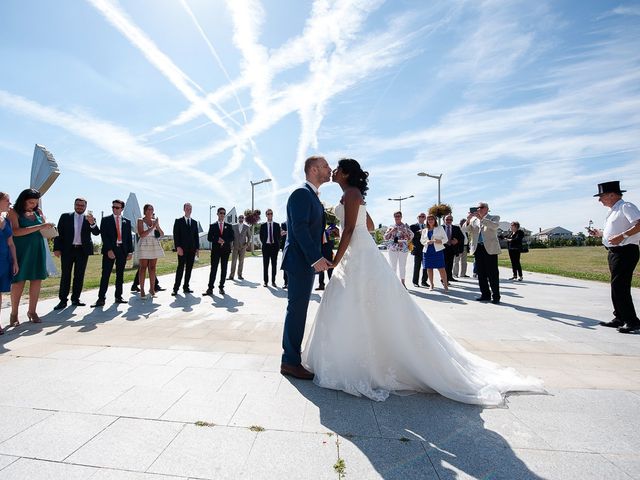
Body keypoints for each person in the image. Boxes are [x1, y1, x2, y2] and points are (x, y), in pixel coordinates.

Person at [302, 159, 545, 405]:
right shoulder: (351, 195)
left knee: (362, 300)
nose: (332, 171)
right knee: (361, 302)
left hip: (359, 252)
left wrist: (335, 258)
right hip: (360, 251)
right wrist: (353, 217)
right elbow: (371, 225)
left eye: (336, 168)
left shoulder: (352, 194)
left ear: (345, 173)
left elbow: (351, 231)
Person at [280, 155, 333, 380]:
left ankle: (291, 356)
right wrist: (314, 258)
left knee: (299, 309)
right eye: (325, 166)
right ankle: (290, 361)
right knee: (297, 309)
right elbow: (299, 228)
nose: (330, 170)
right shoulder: (301, 193)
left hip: (305, 261)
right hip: (300, 261)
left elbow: (311, 229)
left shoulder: (312, 196)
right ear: (313, 170)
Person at [588, 181, 640, 334]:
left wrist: (622, 236)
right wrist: (600, 234)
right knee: (615, 286)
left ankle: (632, 321)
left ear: (612, 195)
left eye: (602, 196)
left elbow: (638, 224)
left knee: (620, 286)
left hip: (626, 251)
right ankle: (620, 317)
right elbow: (614, 231)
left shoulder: (626, 206)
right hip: (614, 252)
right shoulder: (613, 210)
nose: (600, 200)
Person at [7, 188, 55, 324]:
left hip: (38, 249)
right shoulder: (13, 212)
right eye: (30, 202)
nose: (33, 205)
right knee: (18, 282)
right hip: (22, 251)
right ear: (23, 200)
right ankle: (14, 313)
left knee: (36, 280)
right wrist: (40, 226)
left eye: (35, 202)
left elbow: (43, 228)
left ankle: (32, 311)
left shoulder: (38, 212)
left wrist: (49, 230)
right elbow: (15, 232)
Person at [52, 198, 100, 309]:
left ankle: (76, 299)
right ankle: (63, 300)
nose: (79, 207)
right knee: (65, 276)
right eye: (77, 205)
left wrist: (92, 223)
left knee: (79, 276)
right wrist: (56, 248)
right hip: (67, 250)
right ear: (74, 205)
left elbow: (97, 232)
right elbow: (58, 234)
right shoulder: (65, 216)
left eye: (82, 205)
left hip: (82, 251)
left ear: (85, 207)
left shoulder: (90, 219)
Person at [92, 199, 133, 307]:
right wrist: (109, 250)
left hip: (122, 250)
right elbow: (104, 236)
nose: (115, 209)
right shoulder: (106, 220)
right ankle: (101, 299)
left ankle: (118, 297)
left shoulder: (127, 221)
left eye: (117, 207)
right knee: (105, 275)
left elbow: (129, 238)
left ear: (122, 209)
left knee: (120, 275)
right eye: (113, 207)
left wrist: (130, 251)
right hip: (110, 250)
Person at [465, 202, 501, 304]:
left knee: (492, 273)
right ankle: (485, 294)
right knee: (481, 273)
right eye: (476, 208)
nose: (478, 209)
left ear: (486, 208)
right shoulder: (473, 220)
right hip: (478, 248)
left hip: (490, 249)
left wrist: (481, 218)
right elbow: (465, 229)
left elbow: (494, 226)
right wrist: (468, 219)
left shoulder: (494, 217)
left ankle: (496, 296)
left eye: (480, 207)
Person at [136, 204, 164, 298]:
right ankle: (142, 290)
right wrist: (152, 227)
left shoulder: (154, 221)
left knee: (152, 267)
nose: (151, 211)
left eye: (152, 209)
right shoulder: (140, 220)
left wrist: (157, 226)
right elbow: (141, 234)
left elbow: (161, 234)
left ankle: (152, 289)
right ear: (145, 211)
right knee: (143, 267)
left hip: (153, 244)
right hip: (144, 243)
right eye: (149, 209)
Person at [204, 207, 233, 296]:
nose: (222, 215)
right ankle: (210, 288)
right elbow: (209, 238)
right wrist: (217, 239)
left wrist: (224, 241)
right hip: (215, 251)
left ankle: (221, 287)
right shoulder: (212, 226)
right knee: (213, 269)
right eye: (221, 213)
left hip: (225, 251)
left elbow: (232, 237)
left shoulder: (229, 226)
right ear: (217, 214)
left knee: (224, 269)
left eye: (224, 213)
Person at [0, 192, 19, 334]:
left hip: (5, 260)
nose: (10, 204)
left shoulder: (7, 221)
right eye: (7, 201)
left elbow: (11, 243)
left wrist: (15, 262)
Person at [172, 202, 199, 295]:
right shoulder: (178, 221)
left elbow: (196, 237)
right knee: (180, 268)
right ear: (184, 209)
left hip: (192, 250)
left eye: (190, 208)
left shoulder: (195, 223)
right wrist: (178, 247)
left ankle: (186, 287)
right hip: (182, 250)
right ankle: (175, 288)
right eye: (187, 208)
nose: (189, 210)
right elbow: (176, 235)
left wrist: (197, 249)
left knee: (189, 269)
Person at [383, 211, 414, 288]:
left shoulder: (406, 226)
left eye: (398, 216)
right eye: (396, 216)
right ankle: (393, 283)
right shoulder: (391, 226)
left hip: (403, 249)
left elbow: (411, 236)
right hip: (393, 248)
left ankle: (403, 283)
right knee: (393, 266)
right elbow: (385, 237)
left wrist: (405, 232)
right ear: (394, 217)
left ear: (401, 217)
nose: (397, 217)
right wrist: (391, 231)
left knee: (402, 266)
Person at [420, 214, 448, 292]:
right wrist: (427, 242)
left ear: (435, 220)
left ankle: (446, 285)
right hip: (427, 251)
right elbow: (422, 241)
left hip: (438, 251)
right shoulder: (424, 230)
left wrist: (440, 241)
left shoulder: (440, 228)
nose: (430, 221)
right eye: (428, 219)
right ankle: (431, 284)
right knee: (429, 269)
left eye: (432, 219)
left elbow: (446, 239)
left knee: (441, 268)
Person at [259, 209, 281, 287]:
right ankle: (265, 281)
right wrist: (265, 243)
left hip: (274, 247)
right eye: (268, 214)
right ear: (266, 215)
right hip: (266, 247)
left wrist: (277, 245)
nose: (269, 215)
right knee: (266, 265)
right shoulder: (263, 225)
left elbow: (279, 236)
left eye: (271, 213)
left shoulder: (277, 225)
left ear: (272, 214)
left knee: (274, 265)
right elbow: (261, 236)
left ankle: (273, 281)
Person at [316, 224, 339, 290]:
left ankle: (332, 285)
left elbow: (335, 236)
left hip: (328, 250)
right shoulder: (320, 230)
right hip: (321, 250)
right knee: (321, 268)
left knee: (330, 269)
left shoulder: (331, 227)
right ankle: (321, 285)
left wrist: (330, 231)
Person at [442, 214, 464, 282]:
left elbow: (462, 237)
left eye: (450, 220)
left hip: (452, 248)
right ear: (444, 220)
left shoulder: (456, 228)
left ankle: (449, 277)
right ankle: (444, 279)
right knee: (444, 264)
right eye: (447, 219)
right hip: (442, 248)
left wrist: (457, 241)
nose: (449, 221)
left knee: (450, 263)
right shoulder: (440, 228)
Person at [409, 213, 429, 288]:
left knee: (426, 266)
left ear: (425, 218)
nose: (422, 217)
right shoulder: (413, 226)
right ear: (417, 218)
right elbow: (411, 236)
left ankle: (424, 281)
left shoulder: (428, 226)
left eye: (423, 216)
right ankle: (415, 282)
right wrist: (419, 233)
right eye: (420, 216)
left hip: (426, 249)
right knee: (417, 266)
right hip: (417, 249)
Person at [229, 214, 250, 281]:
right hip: (235, 246)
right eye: (240, 217)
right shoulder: (233, 226)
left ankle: (240, 275)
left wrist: (247, 244)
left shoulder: (247, 227)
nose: (241, 219)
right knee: (233, 261)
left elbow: (249, 236)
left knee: (241, 261)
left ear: (243, 219)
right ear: (238, 219)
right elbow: (231, 236)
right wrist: (231, 245)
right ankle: (231, 276)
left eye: (242, 218)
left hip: (243, 247)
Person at [280, 221, 288, 288]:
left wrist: (286, 232)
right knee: (285, 265)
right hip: (285, 247)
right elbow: (282, 233)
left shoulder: (296, 221)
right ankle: (285, 282)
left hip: (295, 247)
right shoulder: (283, 224)